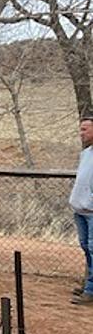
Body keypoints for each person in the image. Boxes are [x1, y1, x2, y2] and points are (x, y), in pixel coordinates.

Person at [71, 117, 93, 304]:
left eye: (85, 129)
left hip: (92, 211)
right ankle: (89, 284)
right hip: (80, 209)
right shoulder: (85, 154)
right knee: (86, 247)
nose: (82, 133)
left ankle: (90, 290)